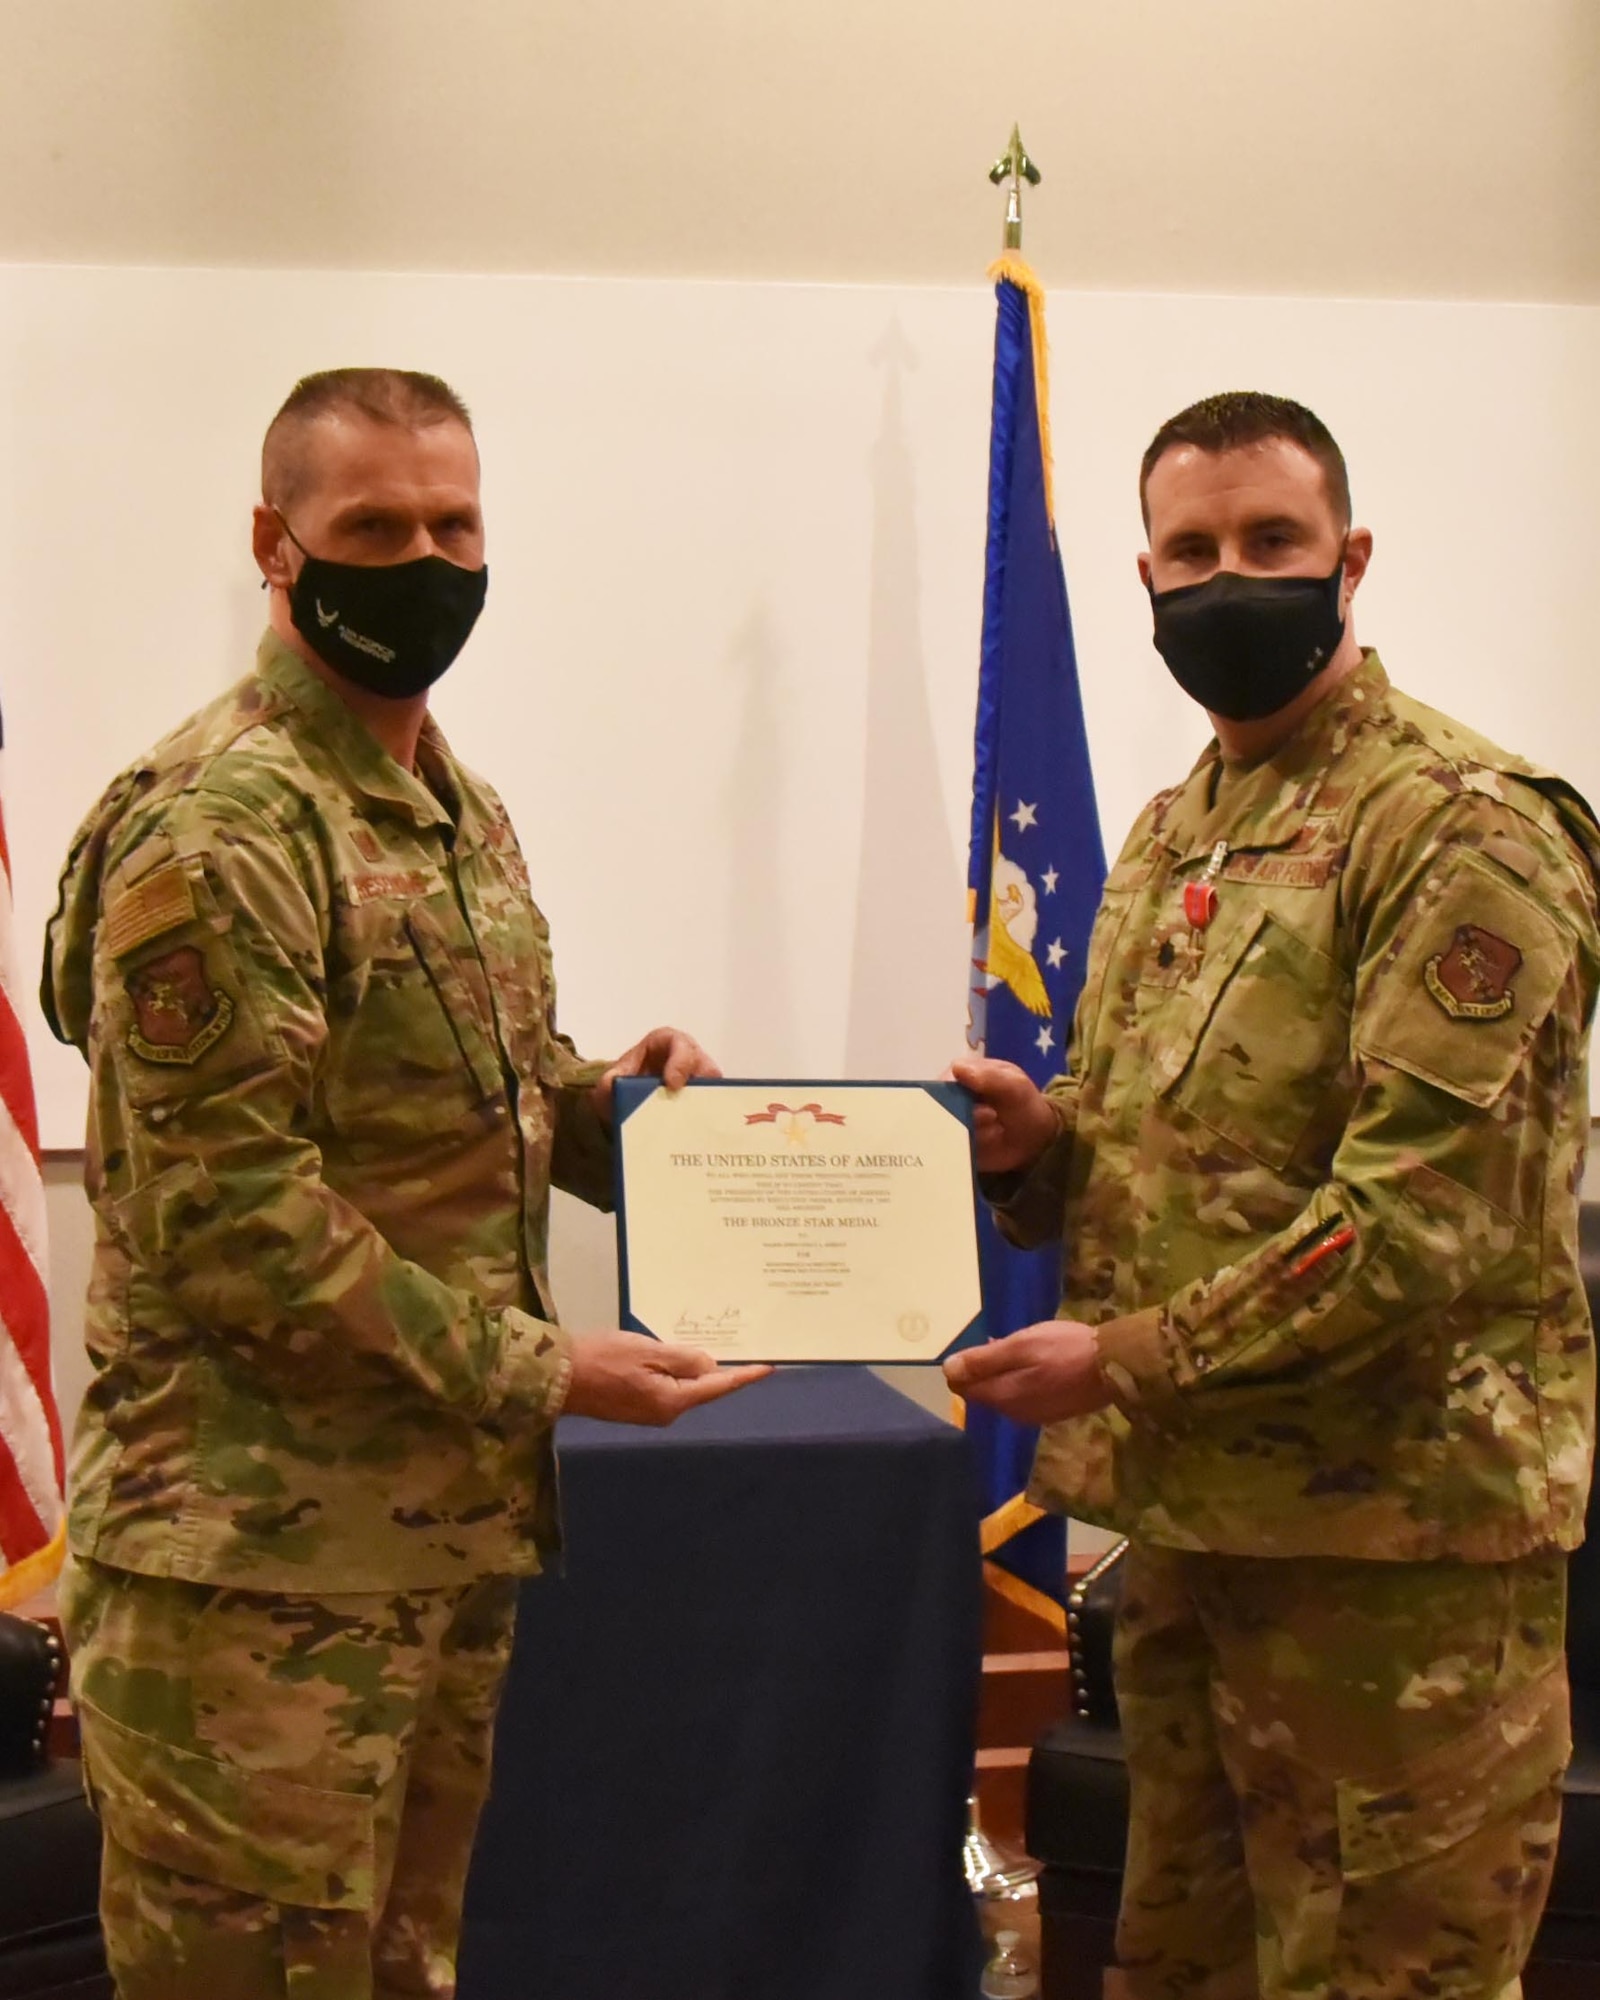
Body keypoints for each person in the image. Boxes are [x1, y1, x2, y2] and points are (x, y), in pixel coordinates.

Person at [41, 366, 768, 1999]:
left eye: (455, 523)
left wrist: (625, 1119)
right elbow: (233, 1223)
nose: (425, 560)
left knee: (395, 1972)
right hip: (253, 1582)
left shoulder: (452, 805)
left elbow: (462, 1100)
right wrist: (550, 1368)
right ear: (274, 542)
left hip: (427, 1542)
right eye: (374, 525)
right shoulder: (223, 825)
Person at [947, 391, 1600, 1999]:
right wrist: (1049, 1142)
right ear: (1148, 577)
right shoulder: (1185, 826)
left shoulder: (1460, 830)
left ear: (1349, 557)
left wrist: (1122, 1356)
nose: (1229, 577)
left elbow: (1415, 1223)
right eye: (1193, 550)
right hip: (1198, 1538)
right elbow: (1189, 1141)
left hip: (1395, 1569)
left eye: (1271, 542)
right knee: (1182, 1968)